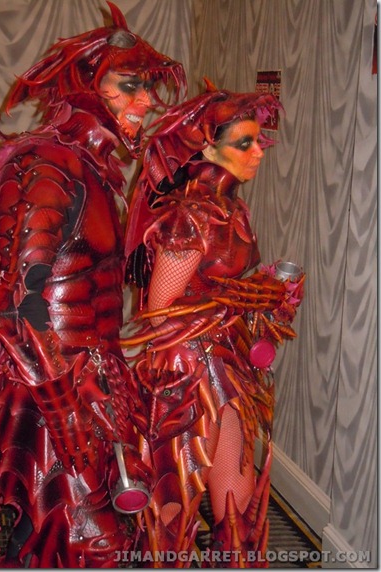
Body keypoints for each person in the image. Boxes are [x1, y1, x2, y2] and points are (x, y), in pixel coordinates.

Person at [0, 2, 186, 568]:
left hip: (96, 385)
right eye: (129, 86)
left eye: (149, 88)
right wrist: (64, 409)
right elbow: (14, 307)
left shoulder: (97, 171)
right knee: (81, 543)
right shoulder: (45, 165)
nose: (147, 102)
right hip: (48, 392)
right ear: (84, 86)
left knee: (105, 536)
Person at [124, 84, 305, 568]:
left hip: (227, 366)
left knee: (238, 501)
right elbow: (160, 309)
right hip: (186, 374)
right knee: (175, 502)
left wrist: (269, 300)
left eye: (258, 141)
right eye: (244, 143)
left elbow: (223, 288)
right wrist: (238, 301)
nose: (257, 152)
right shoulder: (191, 216)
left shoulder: (234, 210)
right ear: (207, 148)